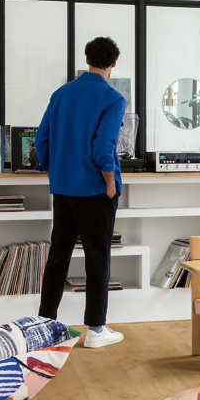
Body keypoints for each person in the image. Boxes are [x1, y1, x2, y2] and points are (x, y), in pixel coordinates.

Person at [36, 37, 126, 349]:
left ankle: (45, 325)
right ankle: (96, 330)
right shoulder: (113, 99)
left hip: (63, 188)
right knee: (97, 257)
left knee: (58, 255)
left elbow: (41, 138)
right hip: (95, 188)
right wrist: (109, 180)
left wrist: (54, 168)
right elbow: (104, 146)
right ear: (113, 64)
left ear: (86, 59)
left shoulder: (61, 94)